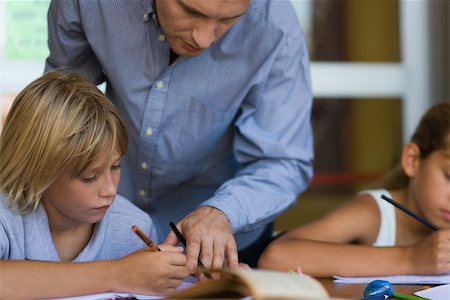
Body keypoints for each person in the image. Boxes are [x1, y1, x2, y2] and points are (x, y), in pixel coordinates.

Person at [45, 0, 314, 270]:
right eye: (192, 11)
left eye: (228, 21)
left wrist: (222, 212)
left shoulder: (275, 27)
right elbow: (60, 106)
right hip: (100, 230)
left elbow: (282, 162)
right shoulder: (92, 4)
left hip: (220, 244)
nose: (204, 39)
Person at [0, 70, 189, 299]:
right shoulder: (6, 217)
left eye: (116, 166)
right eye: (89, 177)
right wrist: (119, 273)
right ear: (38, 171)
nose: (110, 190)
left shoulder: (133, 226)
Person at [258, 102, 450, 277]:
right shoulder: (374, 213)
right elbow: (276, 257)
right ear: (412, 160)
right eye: (448, 177)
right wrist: (410, 259)